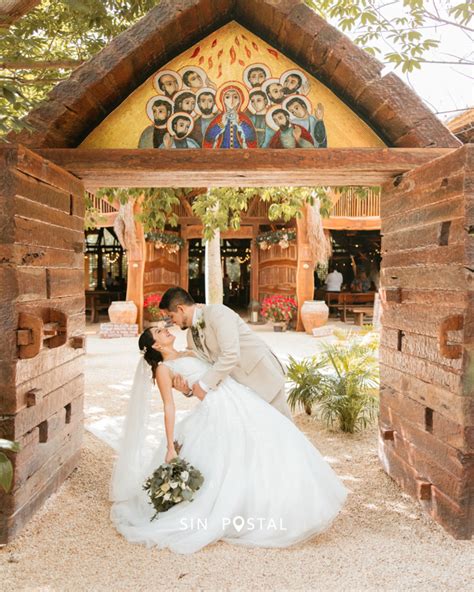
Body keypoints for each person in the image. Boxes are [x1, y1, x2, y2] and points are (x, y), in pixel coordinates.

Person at [109, 321, 347, 554]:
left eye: (164, 327)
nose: (166, 330)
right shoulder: (163, 369)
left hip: (238, 397)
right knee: (232, 457)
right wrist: (170, 446)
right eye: (159, 332)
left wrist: (189, 390)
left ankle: (287, 504)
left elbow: (204, 381)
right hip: (217, 410)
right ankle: (241, 511)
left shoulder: (189, 351)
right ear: (156, 346)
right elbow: (168, 407)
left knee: (273, 438)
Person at [159, 286, 290, 418]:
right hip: (240, 390)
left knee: (283, 428)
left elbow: (231, 354)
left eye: (171, 316)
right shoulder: (190, 336)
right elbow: (200, 367)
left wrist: (203, 385)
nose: (172, 322)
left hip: (262, 375)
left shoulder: (218, 313)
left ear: (181, 309)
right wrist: (187, 390)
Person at [203, 85, 257, 149]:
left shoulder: (243, 118)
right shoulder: (219, 118)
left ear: (240, 100)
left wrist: (240, 123)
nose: (231, 100)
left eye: (235, 97)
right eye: (227, 97)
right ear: (223, 100)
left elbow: (251, 137)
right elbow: (209, 138)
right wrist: (221, 124)